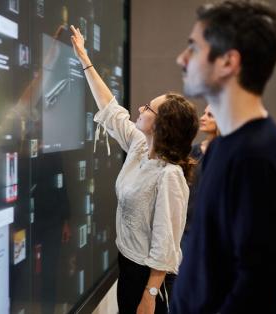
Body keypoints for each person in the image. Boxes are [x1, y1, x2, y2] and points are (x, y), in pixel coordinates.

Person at [70, 25, 199, 313]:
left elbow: (165, 243)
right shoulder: (141, 145)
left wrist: (150, 294)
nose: (140, 110)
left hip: (148, 280)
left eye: (148, 109)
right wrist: (84, 59)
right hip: (127, 266)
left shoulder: (170, 176)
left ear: (163, 125)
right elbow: (111, 109)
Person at [171, 1, 276, 313]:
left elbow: (255, 288)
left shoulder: (259, 157)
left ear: (227, 62)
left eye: (194, 47)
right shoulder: (223, 147)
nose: (181, 59)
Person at [182, 105, 219, 241]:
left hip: (214, 232)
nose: (202, 118)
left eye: (210, 115)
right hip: (187, 228)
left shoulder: (228, 155)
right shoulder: (190, 152)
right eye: (204, 113)